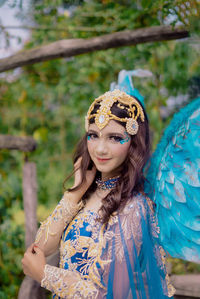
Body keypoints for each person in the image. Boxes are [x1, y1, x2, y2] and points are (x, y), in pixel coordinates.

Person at [22, 89, 175, 298]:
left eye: (114, 138)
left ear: (134, 142)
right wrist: (75, 193)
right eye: (93, 135)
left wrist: (44, 274)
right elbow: (39, 249)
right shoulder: (86, 193)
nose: (100, 149)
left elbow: (111, 295)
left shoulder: (134, 208)